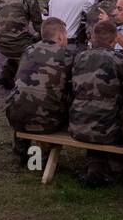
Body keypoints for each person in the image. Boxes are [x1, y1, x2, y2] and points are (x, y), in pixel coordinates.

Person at [69, 19, 123, 187]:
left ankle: (95, 166)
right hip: (108, 130)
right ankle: (117, 168)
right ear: (114, 41)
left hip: (77, 125)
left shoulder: (79, 57)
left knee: (95, 109)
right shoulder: (120, 60)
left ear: (92, 39)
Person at [5, 17, 75, 160]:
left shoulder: (28, 51)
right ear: (61, 36)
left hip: (15, 117)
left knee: (25, 98)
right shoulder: (67, 56)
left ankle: (20, 151)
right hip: (47, 121)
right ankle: (42, 155)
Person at [0, 0, 43, 89]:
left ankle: (6, 73)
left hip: (1, 43)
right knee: (42, 39)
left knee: (18, 38)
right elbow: (39, 27)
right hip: (19, 45)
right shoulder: (29, 0)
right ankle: (28, 78)